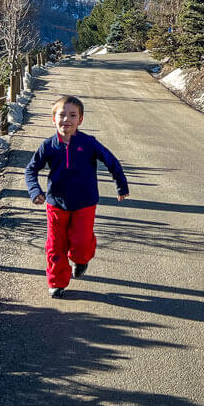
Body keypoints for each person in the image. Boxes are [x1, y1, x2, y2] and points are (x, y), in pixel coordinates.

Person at [25, 95, 129, 297]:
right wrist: (35, 191)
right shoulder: (48, 146)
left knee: (80, 243)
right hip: (56, 204)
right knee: (55, 246)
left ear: (80, 120)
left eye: (72, 115)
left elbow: (111, 161)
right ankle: (57, 282)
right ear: (53, 119)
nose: (67, 120)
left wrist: (121, 185)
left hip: (85, 203)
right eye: (62, 115)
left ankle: (81, 260)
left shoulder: (88, 143)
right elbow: (31, 170)